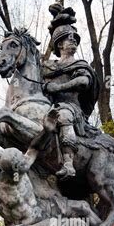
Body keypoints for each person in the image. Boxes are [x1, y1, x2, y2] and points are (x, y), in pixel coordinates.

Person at [42, 15, 99, 180]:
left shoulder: (79, 65)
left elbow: (83, 82)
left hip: (71, 107)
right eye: (69, 39)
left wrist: (58, 87)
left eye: (75, 39)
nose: (74, 41)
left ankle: (68, 164)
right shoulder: (48, 66)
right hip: (49, 106)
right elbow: (26, 66)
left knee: (64, 115)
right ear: (60, 44)